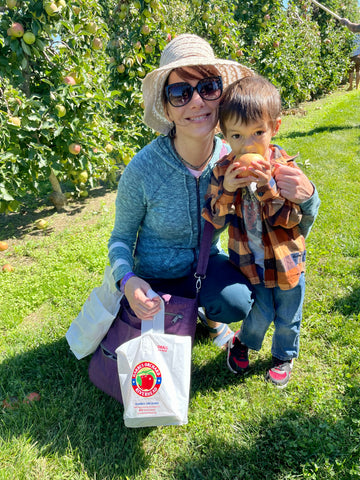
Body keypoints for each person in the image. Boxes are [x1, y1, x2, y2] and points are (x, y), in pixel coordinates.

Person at [108, 34, 320, 353]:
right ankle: (168, 311)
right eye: (180, 92)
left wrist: (308, 196)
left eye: (207, 87)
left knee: (241, 299)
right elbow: (120, 238)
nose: (197, 102)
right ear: (166, 107)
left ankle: (210, 316)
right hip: (155, 280)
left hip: (206, 270)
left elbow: (286, 225)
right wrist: (127, 281)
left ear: (220, 97)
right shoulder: (144, 169)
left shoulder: (233, 159)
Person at [202, 75, 319, 388]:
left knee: (288, 315)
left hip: (286, 262)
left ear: (274, 129)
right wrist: (227, 189)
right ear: (224, 135)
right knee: (260, 310)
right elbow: (214, 218)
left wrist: (269, 186)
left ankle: (283, 354)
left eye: (258, 133)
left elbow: (290, 219)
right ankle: (245, 342)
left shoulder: (284, 170)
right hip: (250, 261)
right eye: (237, 135)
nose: (248, 144)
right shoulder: (223, 171)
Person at [339, 17, 360, 90]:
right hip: (359, 56)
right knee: (358, 71)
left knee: (351, 72)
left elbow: (353, 28)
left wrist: (346, 22)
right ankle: (357, 87)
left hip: (352, 56)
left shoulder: (352, 37)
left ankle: (351, 86)